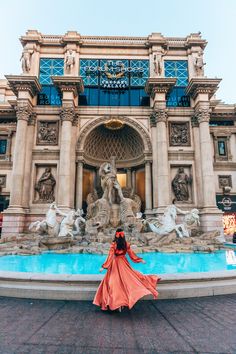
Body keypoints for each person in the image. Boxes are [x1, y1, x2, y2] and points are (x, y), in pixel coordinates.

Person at [93, 228, 160, 311]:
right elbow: (131, 254)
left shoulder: (114, 245)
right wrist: (139, 260)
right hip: (123, 263)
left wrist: (103, 267)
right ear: (123, 236)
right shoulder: (126, 244)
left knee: (114, 284)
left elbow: (110, 257)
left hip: (115, 264)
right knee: (129, 280)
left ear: (116, 236)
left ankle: (118, 304)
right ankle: (121, 303)